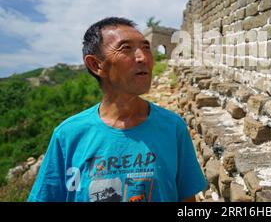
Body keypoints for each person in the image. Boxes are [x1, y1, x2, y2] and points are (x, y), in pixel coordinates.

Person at [28, 17, 207, 202]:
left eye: (146, 48)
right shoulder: (67, 135)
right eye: (126, 49)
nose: (143, 58)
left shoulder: (173, 127)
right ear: (96, 65)